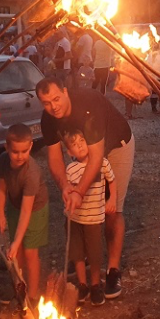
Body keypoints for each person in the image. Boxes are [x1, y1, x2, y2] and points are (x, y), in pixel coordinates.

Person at [37, 77, 134, 299]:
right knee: (80, 210)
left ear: (65, 90)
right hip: (84, 151)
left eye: (56, 99)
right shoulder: (48, 119)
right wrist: (66, 187)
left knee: (112, 210)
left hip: (116, 145)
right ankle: (84, 256)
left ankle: (112, 269)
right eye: (46, 103)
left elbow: (97, 157)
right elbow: (54, 157)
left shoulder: (88, 105)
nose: (54, 106)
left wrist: (79, 190)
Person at [61, 128, 116, 306]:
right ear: (70, 152)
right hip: (75, 218)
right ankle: (82, 284)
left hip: (94, 218)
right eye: (75, 145)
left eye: (82, 141)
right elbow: (68, 190)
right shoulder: (71, 169)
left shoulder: (101, 163)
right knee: (77, 253)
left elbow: (112, 181)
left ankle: (95, 285)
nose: (80, 146)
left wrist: (112, 198)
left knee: (94, 254)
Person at [0, 124, 49, 303]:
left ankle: (32, 295)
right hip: (14, 204)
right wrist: (0, 214)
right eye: (15, 152)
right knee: (15, 254)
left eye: (24, 151)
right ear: (7, 148)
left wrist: (17, 242)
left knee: (29, 252)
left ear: (31, 147)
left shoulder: (31, 172)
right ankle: (20, 288)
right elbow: (2, 189)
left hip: (35, 209)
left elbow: (27, 211)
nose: (20, 156)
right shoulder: (3, 160)